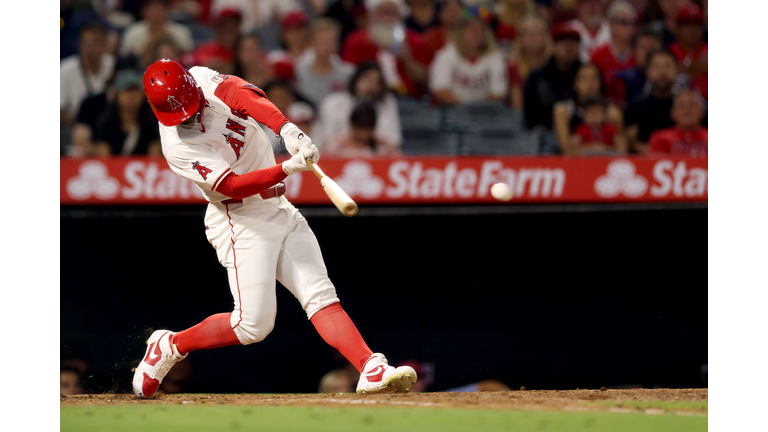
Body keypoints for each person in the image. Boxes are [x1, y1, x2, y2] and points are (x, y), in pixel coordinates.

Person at [132, 59, 418, 398]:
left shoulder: (199, 78)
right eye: (183, 116)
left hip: (278, 206)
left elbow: (243, 94)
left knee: (320, 294)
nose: (192, 117)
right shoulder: (178, 147)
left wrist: (287, 129)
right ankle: (170, 346)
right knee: (252, 325)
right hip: (240, 220)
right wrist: (286, 168)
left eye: (192, 109)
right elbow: (232, 185)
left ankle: (369, 366)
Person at [341, 0, 433, 97]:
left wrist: (407, 59)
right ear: (371, 15)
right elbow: (349, 75)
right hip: (368, 97)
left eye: (392, 13)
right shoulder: (357, 41)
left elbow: (424, 79)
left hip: (407, 98)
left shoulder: (413, 40)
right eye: (382, 12)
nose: (387, 18)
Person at [314, 62, 402, 148]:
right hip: (338, 154)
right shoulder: (334, 103)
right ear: (356, 79)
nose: (371, 85)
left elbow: (394, 140)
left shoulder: (387, 103)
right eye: (367, 79)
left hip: (375, 155)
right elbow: (326, 138)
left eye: (377, 82)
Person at [428, 11, 508, 105]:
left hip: (486, 112)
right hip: (453, 110)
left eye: (479, 31)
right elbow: (440, 89)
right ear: (461, 33)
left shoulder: (494, 57)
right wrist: (464, 108)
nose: (475, 35)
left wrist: (480, 110)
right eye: (471, 31)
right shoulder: (446, 55)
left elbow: (498, 92)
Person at [552, 62, 623, 153]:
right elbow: (566, 150)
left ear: (600, 83)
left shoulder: (612, 113)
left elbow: (622, 150)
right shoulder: (564, 111)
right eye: (584, 79)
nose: (590, 85)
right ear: (575, 83)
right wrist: (594, 148)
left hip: (606, 160)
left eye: (594, 79)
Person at [523, 22, 582, 130]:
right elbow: (530, 118)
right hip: (546, 135)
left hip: (583, 134)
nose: (568, 47)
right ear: (553, 46)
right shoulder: (537, 77)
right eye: (563, 42)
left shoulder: (588, 73)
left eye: (573, 43)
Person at [90, 69, 162, 156]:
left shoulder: (150, 122)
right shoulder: (106, 123)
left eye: (135, 90)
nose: (131, 96)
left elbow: (154, 154)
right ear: (117, 95)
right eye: (126, 91)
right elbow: (103, 156)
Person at [60, 21, 117, 126]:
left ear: (104, 44)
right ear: (79, 45)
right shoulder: (65, 70)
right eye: (86, 43)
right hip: (77, 127)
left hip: (109, 127)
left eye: (95, 42)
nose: (90, 48)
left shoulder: (113, 66)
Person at [623, 49, 679, 154]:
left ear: (677, 70)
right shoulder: (636, 107)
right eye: (657, 66)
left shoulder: (687, 106)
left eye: (668, 66)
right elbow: (630, 141)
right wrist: (653, 152)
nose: (662, 72)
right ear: (647, 71)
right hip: (645, 162)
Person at [295, 18, 355, 107]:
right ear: (312, 43)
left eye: (331, 41)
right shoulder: (299, 73)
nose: (327, 46)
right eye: (322, 42)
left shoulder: (348, 73)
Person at [589, 1, 637, 107]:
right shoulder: (597, 56)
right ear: (610, 24)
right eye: (623, 22)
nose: (629, 27)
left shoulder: (639, 54)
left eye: (632, 22)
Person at [119, 0, 194, 61]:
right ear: (144, 11)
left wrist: (167, 37)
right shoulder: (133, 31)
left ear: (167, 11)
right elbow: (128, 59)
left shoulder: (180, 31)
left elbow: (187, 56)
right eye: (153, 9)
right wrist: (154, 40)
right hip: (140, 72)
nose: (156, 14)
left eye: (160, 9)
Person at [323, 101, 402, 157]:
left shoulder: (385, 147)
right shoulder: (335, 146)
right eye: (361, 127)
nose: (364, 134)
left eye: (368, 128)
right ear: (352, 124)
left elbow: (398, 163)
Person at [507, 14, 552, 110]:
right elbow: (517, 107)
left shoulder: (554, 63)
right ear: (519, 39)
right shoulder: (513, 66)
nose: (532, 37)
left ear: (545, 37)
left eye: (536, 33)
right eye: (527, 34)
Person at [612, 25, 662, 105]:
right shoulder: (624, 80)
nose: (648, 52)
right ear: (634, 51)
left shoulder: (670, 80)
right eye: (643, 47)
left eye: (652, 48)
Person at [648, 89, 707, 156]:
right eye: (681, 105)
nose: (687, 109)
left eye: (692, 104)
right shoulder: (660, 138)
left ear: (702, 111)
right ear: (673, 113)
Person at [668, 3, 707, 99]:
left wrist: (686, 66)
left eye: (696, 25)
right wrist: (700, 67)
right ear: (677, 28)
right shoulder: (669, 52)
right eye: (687, 25)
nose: (692, 30)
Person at [188, 8, 243, 75]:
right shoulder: (205, 50)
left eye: (233, 27)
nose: (228, 32)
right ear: (216, 29)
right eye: (224, 28)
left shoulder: (244, 50)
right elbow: (193, 68)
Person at [267, 10, 312, 81]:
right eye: (291, 31)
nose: (296, 35)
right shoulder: (275, 58)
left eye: (299, 30)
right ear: (283, 34)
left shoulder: (315, 55)